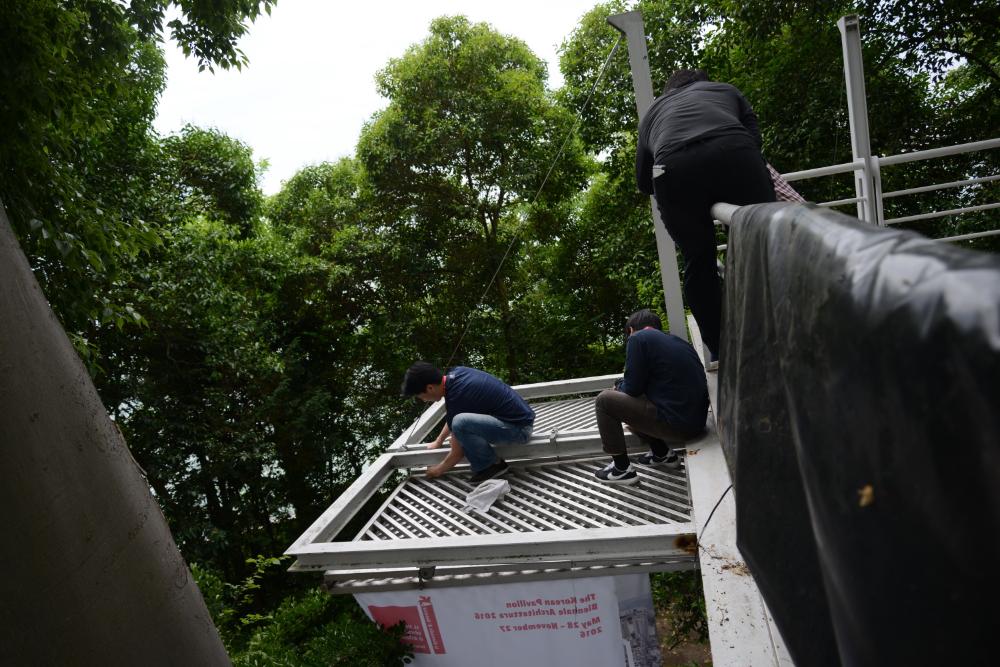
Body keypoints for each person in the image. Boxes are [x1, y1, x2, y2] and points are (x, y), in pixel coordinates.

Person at [636, 69, 777, 363]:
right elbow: (754, 139)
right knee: (761, 240)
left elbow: (643, 181)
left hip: (673, 168)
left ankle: (721, 351)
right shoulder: (725, 89)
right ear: (703, 82)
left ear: (668, 90)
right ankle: (773, 329)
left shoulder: (652, 113)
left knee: (698, 260)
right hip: (735, 151)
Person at [594, 309, 708, 485]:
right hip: (698, 423)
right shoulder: (677, 341)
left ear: (631, 330)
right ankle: (662, 454)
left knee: (605, 400)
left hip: (679, 426)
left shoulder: (637, 339)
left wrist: (618, 386)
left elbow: (632, 388)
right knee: (634, 398)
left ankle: (621, 469)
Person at [401, 362, 535, 483]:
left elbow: (457, 453)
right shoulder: (457, 374)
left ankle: (491, 466)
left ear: (430, 388)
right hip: (517, 420)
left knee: (461, 424)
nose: (424, 400)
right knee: (459, 423)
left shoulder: (458, 395)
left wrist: (437, 470)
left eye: (421, 397)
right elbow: (452, 414)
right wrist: (439, 441)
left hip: (519, 429)